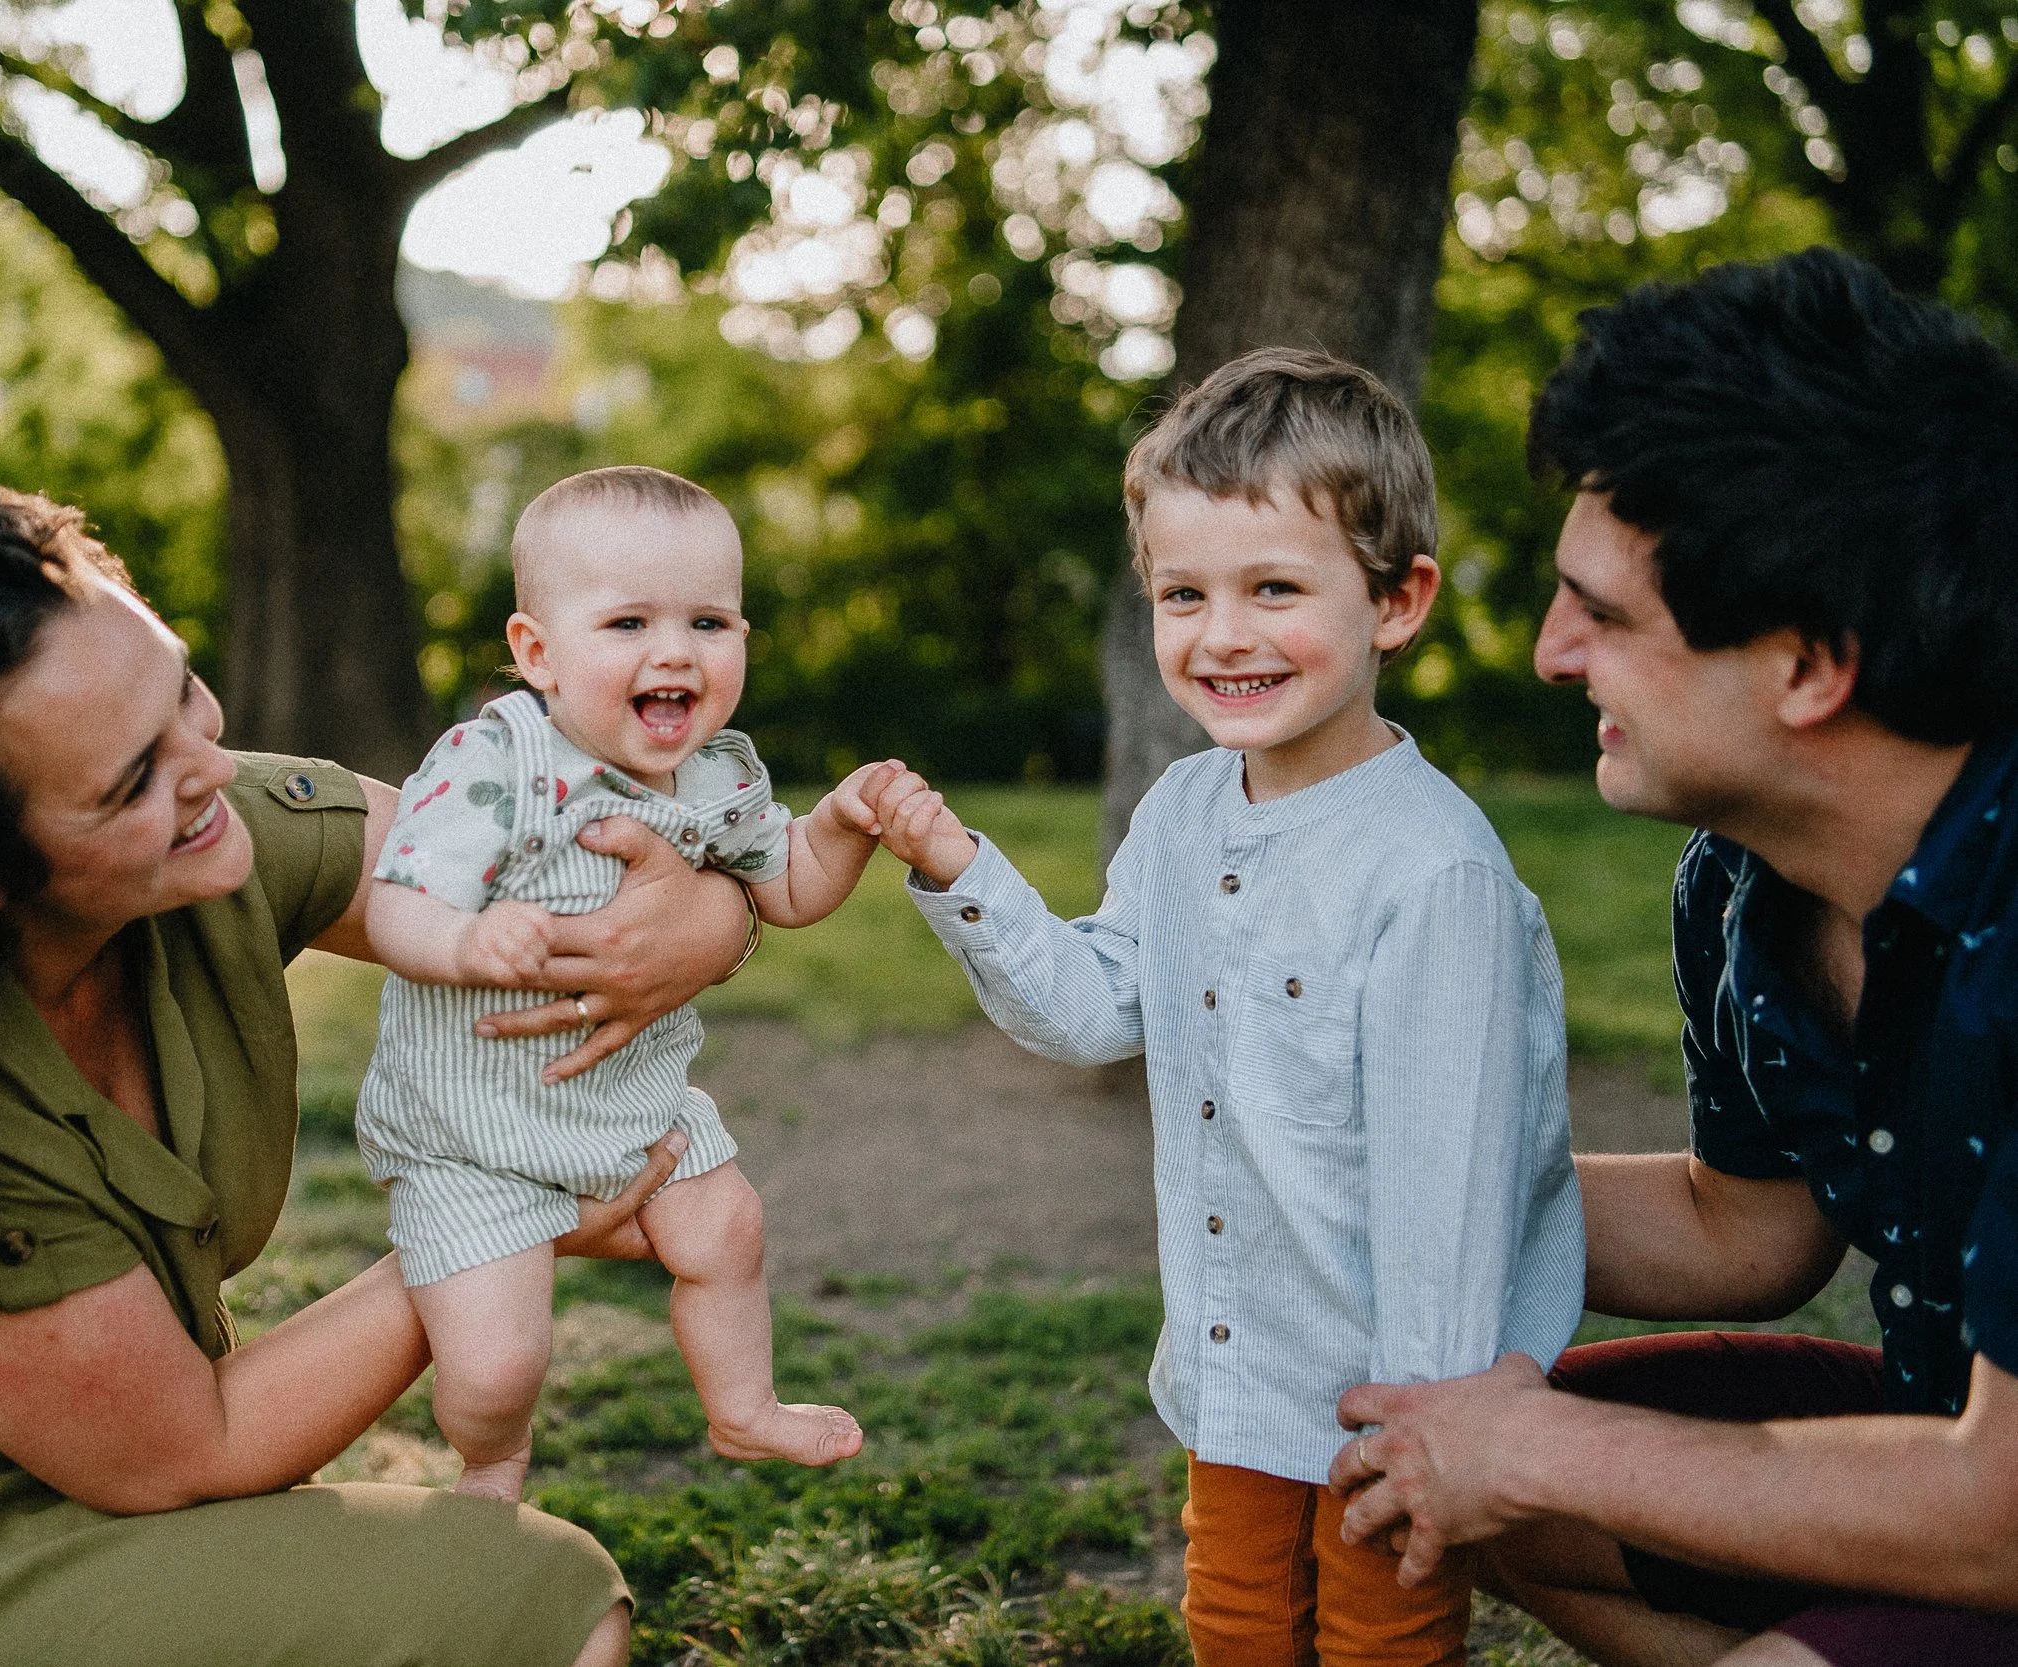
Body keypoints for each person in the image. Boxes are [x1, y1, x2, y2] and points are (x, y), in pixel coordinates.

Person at [0, 479, 757, 1667]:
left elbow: (551, 883)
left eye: (182, 687)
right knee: (534, 1600)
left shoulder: (207, 829)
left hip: (131, 1472)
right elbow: (190, 1447)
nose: (206, 763)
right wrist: (504, 1219)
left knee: (523, 1594)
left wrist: (710, 922)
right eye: (130, 778)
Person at [1327, 249, 2018, 1667]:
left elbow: (2003, 1506)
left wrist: (1541, 1447)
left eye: (1608, 614)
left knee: (1527, 1452)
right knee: (1445, 1464)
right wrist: (1348, 1157)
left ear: (1811, 663)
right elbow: (1747, 1228)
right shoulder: (1748, 882)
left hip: (1997, 1493)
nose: (1547, 651)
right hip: (1959, 1437)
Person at [861, 349, 1586, 1667]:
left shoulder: (1434, 873)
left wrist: (1431, 1422)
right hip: (1238, 1367)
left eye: (1274, 588)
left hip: (1390, 1397)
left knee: (1381, 1641)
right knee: (1238, 1623)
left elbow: (1450, 1189)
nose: (1222, 632)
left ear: (1399, 600)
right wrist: (959, 866)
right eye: (1182, 592)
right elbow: (1093, 1010)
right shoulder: (1184, 812)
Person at [358, 466, 883, 1501]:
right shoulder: (494, 761)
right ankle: (493, 1454)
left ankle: (742, 1407)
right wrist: (465, 943)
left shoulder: (719, 777)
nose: (675, 649)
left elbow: (791, 886)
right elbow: (395, 903)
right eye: (629, 620)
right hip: (476, 1135)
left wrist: (846, 825)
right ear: (536, 652)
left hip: (632, 1109)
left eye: (709, 620)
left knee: (729, 1228)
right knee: (497, 1366)